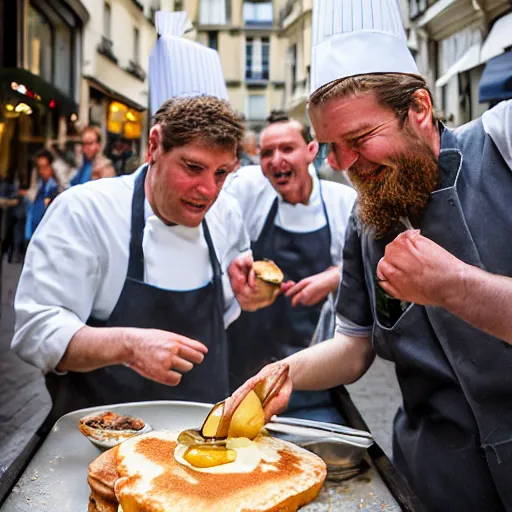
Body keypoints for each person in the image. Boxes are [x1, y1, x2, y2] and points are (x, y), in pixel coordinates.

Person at [235, 1, 512, 511]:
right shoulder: (367, 221)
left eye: (360, 139)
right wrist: (282, 374)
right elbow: (354, 346)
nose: (346, 165)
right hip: (435, 482)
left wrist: (450, 283)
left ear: (420, 109)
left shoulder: (501, 148)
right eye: (331, 147)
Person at [12, 11, 269, 428]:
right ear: (154, 146)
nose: (209, 190)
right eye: (192, 167)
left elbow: (226, 309)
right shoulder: (85, 210)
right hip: (98, 444)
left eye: (222, 173)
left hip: (201, 443)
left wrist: (247, 295)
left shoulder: (227, 212)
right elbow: (35, 330)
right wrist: (127, 345)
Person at [225, 111, 356, 422]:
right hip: (249, 363)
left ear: (311, 151)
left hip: (312, 365)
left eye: (287, 149)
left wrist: (334, 277)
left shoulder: (342, 201)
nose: (276, 159)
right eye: (267, 152)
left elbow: (373, 263)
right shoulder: (251, 197)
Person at [24, 149, 59, 242]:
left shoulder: (55, 189)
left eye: (45, 167)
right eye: (39, 167)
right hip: (31, 234)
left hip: (46, 237)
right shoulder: (39, 185)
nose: (42, 171)